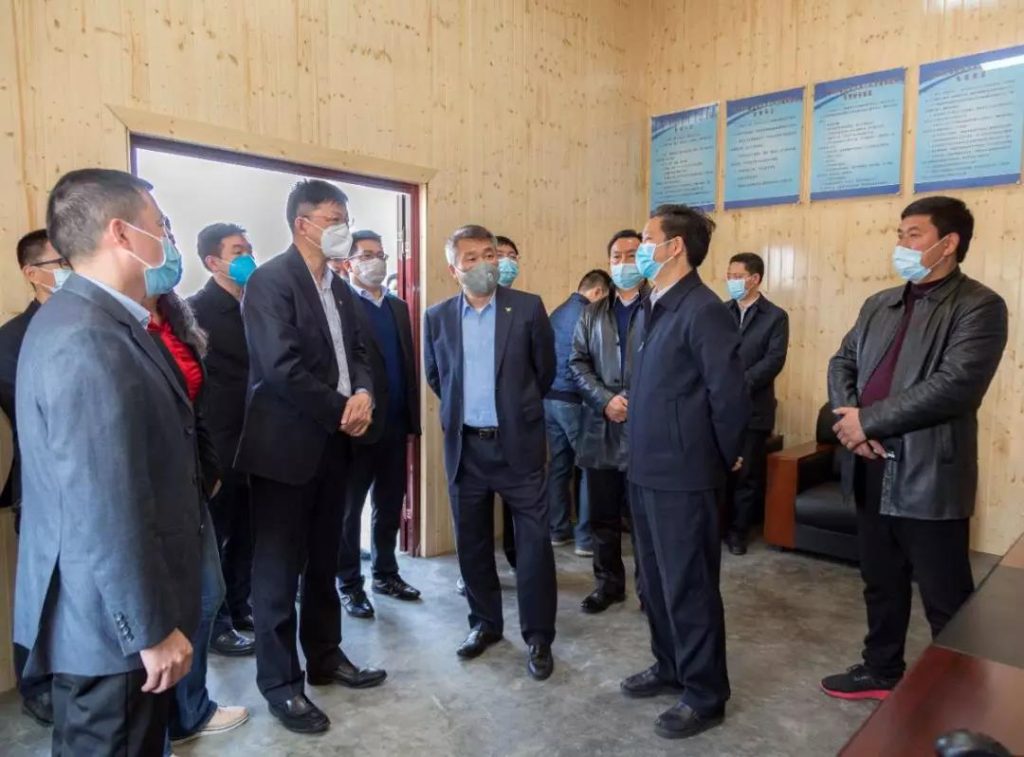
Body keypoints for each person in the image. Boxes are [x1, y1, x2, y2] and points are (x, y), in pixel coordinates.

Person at [15, 168, 201, 755]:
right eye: (158, 226)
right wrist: (150, 629)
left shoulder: (98, 318)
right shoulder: (88, 337)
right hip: (110, 630)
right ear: (122, 233)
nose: (166, 239)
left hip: (108, 617)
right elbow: (104, 502)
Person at [822, 196, 1008, 701]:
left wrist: (868, 421)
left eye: (913, 235)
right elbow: (842, 362)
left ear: (948, 244)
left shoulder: (979, 306)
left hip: (929, 472)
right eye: (899, 234)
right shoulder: (879, 303)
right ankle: (881, 669)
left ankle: (966, 696)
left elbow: (955, 386)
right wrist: (850, 421)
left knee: (946, 594)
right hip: (869, 463)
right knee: (880, 580)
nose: (901, 244)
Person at [234, 179, 386, 735]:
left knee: (325, 557)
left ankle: (325, 656)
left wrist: (363, 393)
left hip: (335, 443)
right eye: (333, 218)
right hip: (285, 447)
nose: (343, 227)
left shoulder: (339, 288)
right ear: (303, 224)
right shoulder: (271, 281)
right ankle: (281, 684)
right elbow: (281, 367)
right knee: (277, 571)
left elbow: (360, 353)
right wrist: (343, 408)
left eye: (345, 216)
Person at [622, 204, 749, 740]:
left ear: (675, 246)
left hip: (685, 474)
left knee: (689, 586)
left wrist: (720, 457)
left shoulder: (703, 310)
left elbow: (729, 395)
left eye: (647, 238)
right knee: (654, 583)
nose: (639, 249)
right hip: (645, 468)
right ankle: (670, 665)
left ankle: (704, 694)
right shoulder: (652, 304)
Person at [423, 224, 558, 680]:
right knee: (472, 543)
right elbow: (437, 377)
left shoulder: (528, 307)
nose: (483, 264)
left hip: (518, 446)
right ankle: (484, 624)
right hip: (467, 448)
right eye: (471, 257)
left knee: (534, 546)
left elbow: (544, 372)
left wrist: (517, 412)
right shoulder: (437, 316)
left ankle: (538, 636)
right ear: (454, 269)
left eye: (489, 254)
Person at [144, 292, 250, 746]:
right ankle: (156, 722)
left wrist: (210, 468)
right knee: (151, 609)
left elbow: (195, 406)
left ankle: (189, 710)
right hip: (147, 485)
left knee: (207, 594)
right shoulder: (119, 323)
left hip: (192, 481)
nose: (164, 255)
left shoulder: (175, 317)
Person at [0, 229, 69, 726]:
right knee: (41, 591)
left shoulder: (85, 322)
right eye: (59, 262)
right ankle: (36, 685)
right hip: (41, 486)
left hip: (85, 481)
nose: (69, 269)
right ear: (32, 273)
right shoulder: (11, 340)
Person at [337, 230, 422, 619]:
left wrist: (412, 419)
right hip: (358, 428)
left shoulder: (398, 307)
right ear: (349, 263)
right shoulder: (341, 305)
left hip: (396, 424)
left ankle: (386, 574)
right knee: (349, 511)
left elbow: (406, 364)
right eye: (367, 254)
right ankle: (349, 584)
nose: (376, 260)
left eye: (381, 254)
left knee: (389, 505)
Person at [188, 223, 258, 656]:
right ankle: (217, 625)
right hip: (221, 441)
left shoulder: (258, 304)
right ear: (214, 262)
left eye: (249, 248)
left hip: (260, 440)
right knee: (218, 536)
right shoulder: (196, 311)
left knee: (248, 533)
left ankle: (240, 605)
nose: (248, 256)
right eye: (238, 251)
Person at [571, 231, 646, 613]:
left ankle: (650, 592)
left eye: (632, 255)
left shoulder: (659, 307)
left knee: (644, 521)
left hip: (645, 429)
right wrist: (605, 400)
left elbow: (669, 365)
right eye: (617, 256)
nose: (624, 263)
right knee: (602, 517)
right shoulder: (592, 312)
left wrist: (632, 400)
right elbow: (577, 362)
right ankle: (608, 584)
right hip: (600, 427)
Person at [722, 252, 789, 555]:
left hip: (754, 408)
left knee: (747, 476)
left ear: (755, 279)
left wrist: (737, 384)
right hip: (720, 408)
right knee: (719, 470)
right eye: (729, 276)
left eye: (737, 276)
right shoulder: (720, 312)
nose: (731, 281)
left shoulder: (775, 317)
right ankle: (718, 526)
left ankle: (738, 533)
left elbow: (774, 361)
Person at [545, 268, 609, 552]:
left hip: (549, 400)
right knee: (589, 468)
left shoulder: (558, 312)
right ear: (597, 292)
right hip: (574, 401)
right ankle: (585, 538)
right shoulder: (589, 316)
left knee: (559, 467)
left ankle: (557, 530)